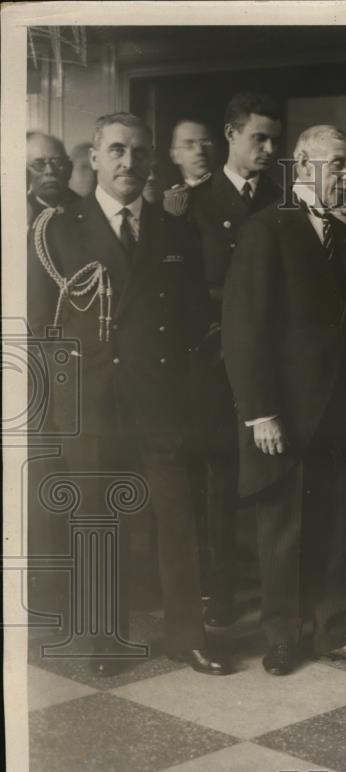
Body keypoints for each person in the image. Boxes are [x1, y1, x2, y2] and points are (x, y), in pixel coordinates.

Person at [27, 112, 231, 678]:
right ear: (93, 158)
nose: (129, 163)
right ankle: (102, 639)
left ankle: (187, 637)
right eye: (116, 150)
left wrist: (183, 389)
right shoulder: (58, 228)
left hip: (158, 397)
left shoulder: (175, 230)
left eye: (140, 153)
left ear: (152, 162)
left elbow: (194, 319)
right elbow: (41, 325)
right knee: (96, 519)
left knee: (176, 517)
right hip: (91, 400)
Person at [222, 124, 346, 676]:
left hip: (340, 414)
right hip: (286, 414)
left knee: (339, 527)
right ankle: (282, 637)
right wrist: (260, 412)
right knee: (283, 530)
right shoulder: (265, 229)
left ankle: (335, 632)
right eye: (339, 165)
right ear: (303, 167)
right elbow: (243, 329)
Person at [163, 95, 283, 628]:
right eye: (259, 137)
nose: (269, 149)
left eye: (274, 139)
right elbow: (179, 288)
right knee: (217, 477)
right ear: (231, 134)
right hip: (212, 360)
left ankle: (276, 593)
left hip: (273, 360)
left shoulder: (284, 201)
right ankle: (221, 592)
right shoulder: (193, 203)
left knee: (270, 474)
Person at [26, 131, 77, 225]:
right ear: (26, 172)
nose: (50, 171)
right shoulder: (18, 210)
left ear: (69, 168)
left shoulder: (89, 209)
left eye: (57, 162)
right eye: (39, 164)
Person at [169, 119, 216, 187]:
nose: (200, 151)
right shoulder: (170, 196)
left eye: (206, 143)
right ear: (175, 155)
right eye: (189, 145)